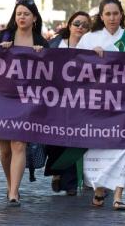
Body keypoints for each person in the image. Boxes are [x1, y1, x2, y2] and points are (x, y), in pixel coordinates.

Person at [77, 0, 125, 211]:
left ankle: (117, 195)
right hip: (97, 105)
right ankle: (99, 190)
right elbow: (74, 67)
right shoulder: (89, 39)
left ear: (122, 15)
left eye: (116, 13)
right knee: (98, 148)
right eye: (108, 14)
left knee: (124, 149)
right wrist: (90, 57)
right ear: (101, 16)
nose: (112, 18)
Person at [0, 0, 48, 207]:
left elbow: (50, 71)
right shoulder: (3, 36)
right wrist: (1, 50)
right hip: (3, 97)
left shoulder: (40, 42)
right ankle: (10, 184)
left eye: (26, 14)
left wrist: (42, 56)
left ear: (34, 18)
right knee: (5, 150)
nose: (22, 17)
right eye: (19, 14)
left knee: (19, 144)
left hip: (27, 100)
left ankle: (14, 191)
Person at [45, 11, 91, 196]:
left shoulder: (93, 46)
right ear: (70, 25)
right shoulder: (54, 44)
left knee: (74, 139)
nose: (80, 27)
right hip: (55, 100)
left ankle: (70, 183)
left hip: (80, 100)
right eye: (77, 23)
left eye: (85, 25)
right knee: (55, 139)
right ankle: (56, 171)